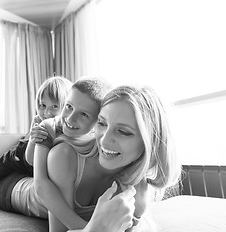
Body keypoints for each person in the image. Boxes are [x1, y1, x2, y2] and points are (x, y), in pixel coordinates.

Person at [47, 85, 182, 232]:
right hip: (25, 191)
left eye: (123, 132)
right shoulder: (63, 155)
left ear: (149, 143)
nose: (104, 141)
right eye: (102, 123)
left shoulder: (139, 192)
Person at [0, 76, 112, 220]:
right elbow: (34, 170)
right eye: (68, 107)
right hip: (15, 189)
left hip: (28, 178)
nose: (70, 118)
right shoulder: (49, 128)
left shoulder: (101, 145)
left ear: (99, 120)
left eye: (83, 114)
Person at [0, 76, 72, 190]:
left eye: (54, 106)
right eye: (43, 105)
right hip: (17, 158)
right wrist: (32, 139)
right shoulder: (39, 122)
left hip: (33, 167)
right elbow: (30, 160)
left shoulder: (69, 128)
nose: (46, 112)